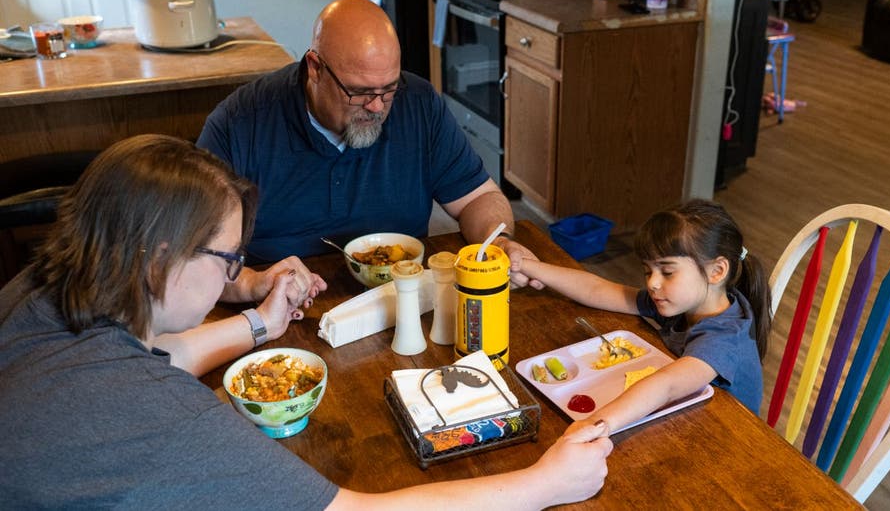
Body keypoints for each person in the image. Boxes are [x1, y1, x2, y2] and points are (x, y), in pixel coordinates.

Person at [0, 134, 612, 509]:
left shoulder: (43, 288)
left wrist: (264, 324)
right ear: (161, 259)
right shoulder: (139, 410)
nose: (235, 273)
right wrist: (545, 484)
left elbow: (167, 356)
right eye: (227, 258)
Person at [196, 0, 542, 289]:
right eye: (359, 92)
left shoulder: (418, 103)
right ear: (315, 68)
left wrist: (497, 243)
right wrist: (253, 285)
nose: (377, 107)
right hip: (275, 307)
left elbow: (478, 198)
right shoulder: (240, 124)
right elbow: (194, 258)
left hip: (401, 295)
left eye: (389, 88)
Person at [514, 199, 772, 435]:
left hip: (727, 438)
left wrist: (595, 426)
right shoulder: (681, 301)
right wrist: (525, 266)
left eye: (667, 272)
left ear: (716, 271)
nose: (653, 283)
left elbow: (667, 385)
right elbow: (596, 289)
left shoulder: (725, 337)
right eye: (648, 271)